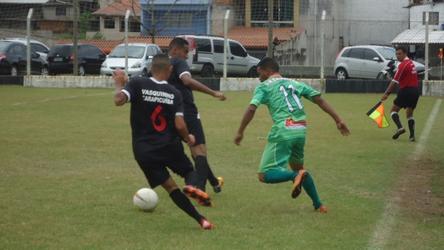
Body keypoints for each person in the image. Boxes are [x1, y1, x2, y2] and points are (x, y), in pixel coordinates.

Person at [234, 57, 350, 213]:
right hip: (300, 130)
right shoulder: (295, 83)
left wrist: (240, 131)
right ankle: (318, 204)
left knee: (264, 174)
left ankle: (295, 176)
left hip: (283, 130)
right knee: (298, 168)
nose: (258, 75)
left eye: (259, 71)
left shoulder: (263, 87)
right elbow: (319, 100)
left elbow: (251, 109)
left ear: (267, 70)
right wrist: (338, 120)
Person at [113, 54, 213, 229]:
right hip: (169, 146)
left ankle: (201, 220)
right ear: (170, 70)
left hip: (143, 151)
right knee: (189, 170)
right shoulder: (174, 93)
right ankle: (192, 186)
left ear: (151, 68)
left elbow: (119, 100)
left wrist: (119, 83)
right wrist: (188, 137)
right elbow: (180, 125)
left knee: (171, 188)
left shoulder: (137, 83)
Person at [168, 37, 225, 193]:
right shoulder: (179, 62)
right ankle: (199, 189)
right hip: (187, 111)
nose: (187, 56)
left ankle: (214, 182)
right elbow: (187, 81)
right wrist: (213, 92)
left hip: (170, 114)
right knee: (199, 151)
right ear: (175, 50)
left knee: (195, 152)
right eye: (185, 52)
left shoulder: (160, 65)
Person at [381, 46, 420, 142]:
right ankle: (412, 136)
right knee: (409, 114)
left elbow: (394, 81)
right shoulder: (411, 63)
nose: (398, 56)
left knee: (393, 111)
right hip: (415, 91)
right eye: (396, 54)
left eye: (399, 54)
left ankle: (400, 128)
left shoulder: (403, 65)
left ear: (405, 53)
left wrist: (387, 93)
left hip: (406, 91)